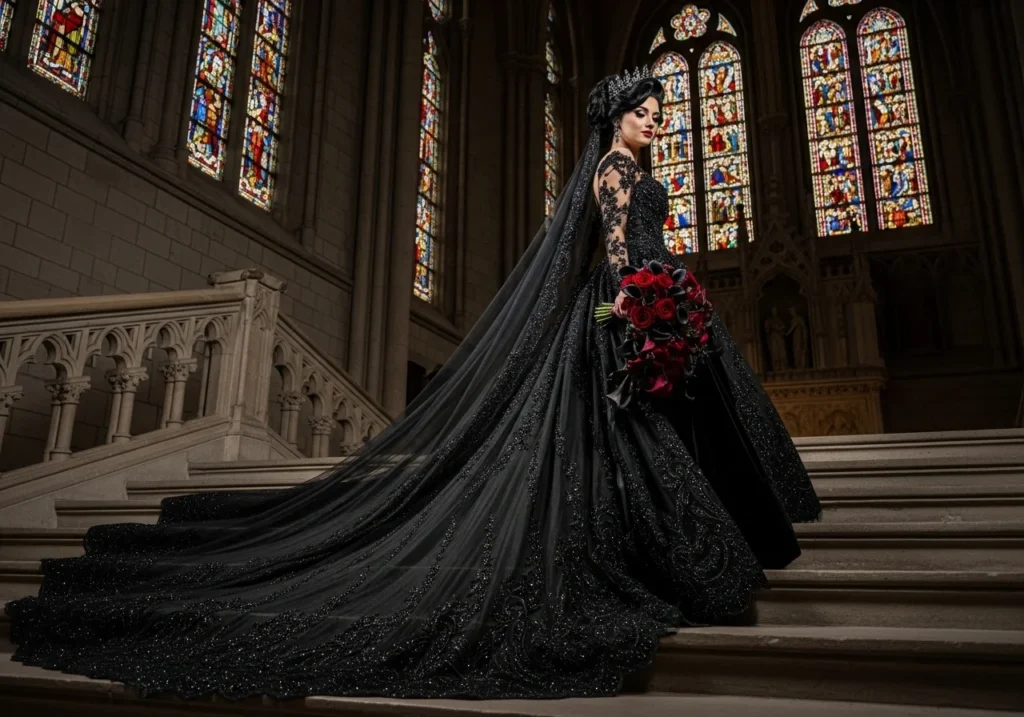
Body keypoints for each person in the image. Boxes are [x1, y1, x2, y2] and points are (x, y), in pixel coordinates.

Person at [6, 68, 820, 701]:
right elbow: (614, 253)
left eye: (656, 106)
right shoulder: (615, 171)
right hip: (625, 308)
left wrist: (663, 299)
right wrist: (640, 309)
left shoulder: (631, 166)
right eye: (644, 106)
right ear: (614, 114)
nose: (655, 116)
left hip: (644, 302)